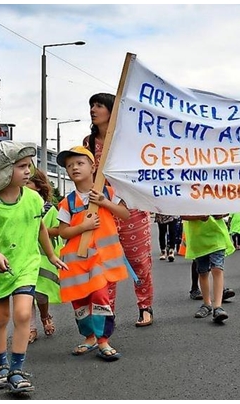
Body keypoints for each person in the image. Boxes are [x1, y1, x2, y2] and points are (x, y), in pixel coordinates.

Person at [0, 141, 56, 395]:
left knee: (22, 314)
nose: (28, 171)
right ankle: (1, 367)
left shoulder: (32, 198)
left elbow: (39, 227)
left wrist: (50, 255)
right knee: (0, 319)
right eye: (21, 167)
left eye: (28, 166)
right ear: (5, 170)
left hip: (26, 264)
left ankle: (17, 371)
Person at [83, 92, 157, 328]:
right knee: (106, 263)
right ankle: (107, 313)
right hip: (102, 210)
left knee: (139, 262)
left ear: (112, 110)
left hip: (131, 209)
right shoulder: (88, 143)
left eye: (98, 105)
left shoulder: (128, 141)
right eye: (91, 106)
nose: (93, 110)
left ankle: (145, 307)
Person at [52, 145, 131, 362]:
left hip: (102, 260)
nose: (74, 168)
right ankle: (89, 337)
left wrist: (104, 203)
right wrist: (82, 227)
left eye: (79, 163)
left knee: (99, 296)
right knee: (80, 301)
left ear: (92, 166)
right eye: (69, 166)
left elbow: (125, 214)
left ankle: (103, 339)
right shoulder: (67, 202)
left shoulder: (107, 192)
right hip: (76, 262)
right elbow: (63, 231)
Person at [25, 168, 62, 344]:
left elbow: (59, 230)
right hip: (23, 257)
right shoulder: (18, 206)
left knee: (40, 295)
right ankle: (30, 328)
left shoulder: (50, 209)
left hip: (44, 260)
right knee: (25, 294)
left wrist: (41, 232)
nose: (24, 187)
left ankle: (45, 316)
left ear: (39, 187)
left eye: (28, 183)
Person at [182, 212, 234, 324]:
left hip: (217, 236)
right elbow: (182, 214)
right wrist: (198, 216)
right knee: (203, 272)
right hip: (198, 239)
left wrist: (222, 214)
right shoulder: (188, 196)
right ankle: (207, 304)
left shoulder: (216, 194)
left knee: (217, 269)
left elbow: (227, 207)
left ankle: (218, 307)